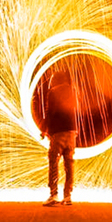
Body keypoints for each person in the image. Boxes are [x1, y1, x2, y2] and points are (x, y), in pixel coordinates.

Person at [41, 71, 78, 206]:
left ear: (56, 80)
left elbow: (50, 112)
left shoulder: (53, 92)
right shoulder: (72, 90)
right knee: (69, 164)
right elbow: (75, 110)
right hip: (71, 132)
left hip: (58, 133)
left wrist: (44, 129)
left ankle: (54, 195)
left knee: (53, 162)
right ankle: (68, 196)